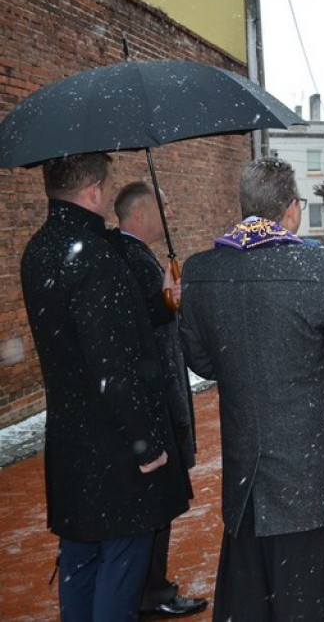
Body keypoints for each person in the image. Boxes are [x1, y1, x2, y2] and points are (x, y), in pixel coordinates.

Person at [178, 156, 324, 620]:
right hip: (309, 475)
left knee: (250, 603)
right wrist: (308, 368)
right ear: (291, 209)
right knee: (309, 601)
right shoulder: (315, 267)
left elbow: (200, 358)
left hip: (247, 477)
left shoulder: (202, 269)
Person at [21, 153, 190, 621]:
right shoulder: (96, 255)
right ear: (94, 189)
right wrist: (147, 446)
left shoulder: (38, 249)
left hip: (72, 444)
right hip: (115, 450)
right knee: (122, 564)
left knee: (79, 560)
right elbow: (114, 363)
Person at [110, 182, 207, 618]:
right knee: (158, 506)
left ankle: (151, 587)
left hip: (161, 395)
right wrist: (169, 302)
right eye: (164, 205)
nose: (170, 211)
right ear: (142, 213)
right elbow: (148, 327)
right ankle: (153, 592)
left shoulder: (135, 256)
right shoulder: (131, 258)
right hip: (158, 400)